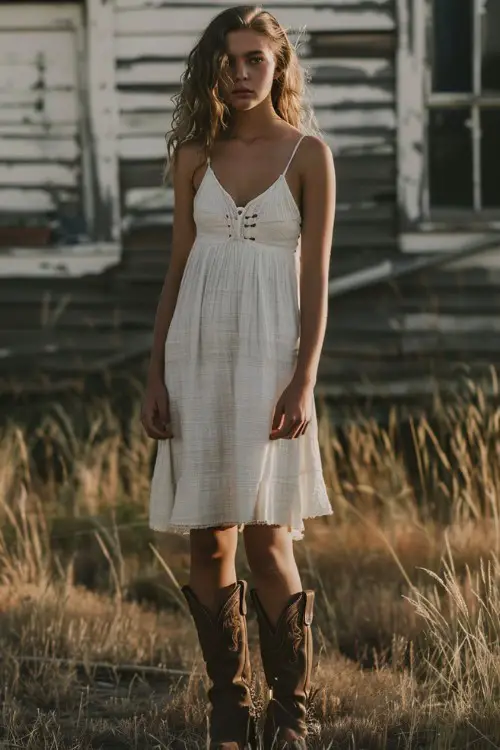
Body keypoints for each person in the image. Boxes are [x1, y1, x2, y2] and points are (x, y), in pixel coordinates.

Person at [140, 5, 336, 748]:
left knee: (268, 543)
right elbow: (176, 271)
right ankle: (232, 710)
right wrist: (154, 375)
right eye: (229, 61)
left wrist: (304, 379)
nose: (243, 73)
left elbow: (314, 282)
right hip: (197, 356)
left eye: (257, 58)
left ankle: (293, 716)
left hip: (271, 363)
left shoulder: (309, 155)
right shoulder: (196, 156)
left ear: (280, 65)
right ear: (213, 69)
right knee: (209, 542)